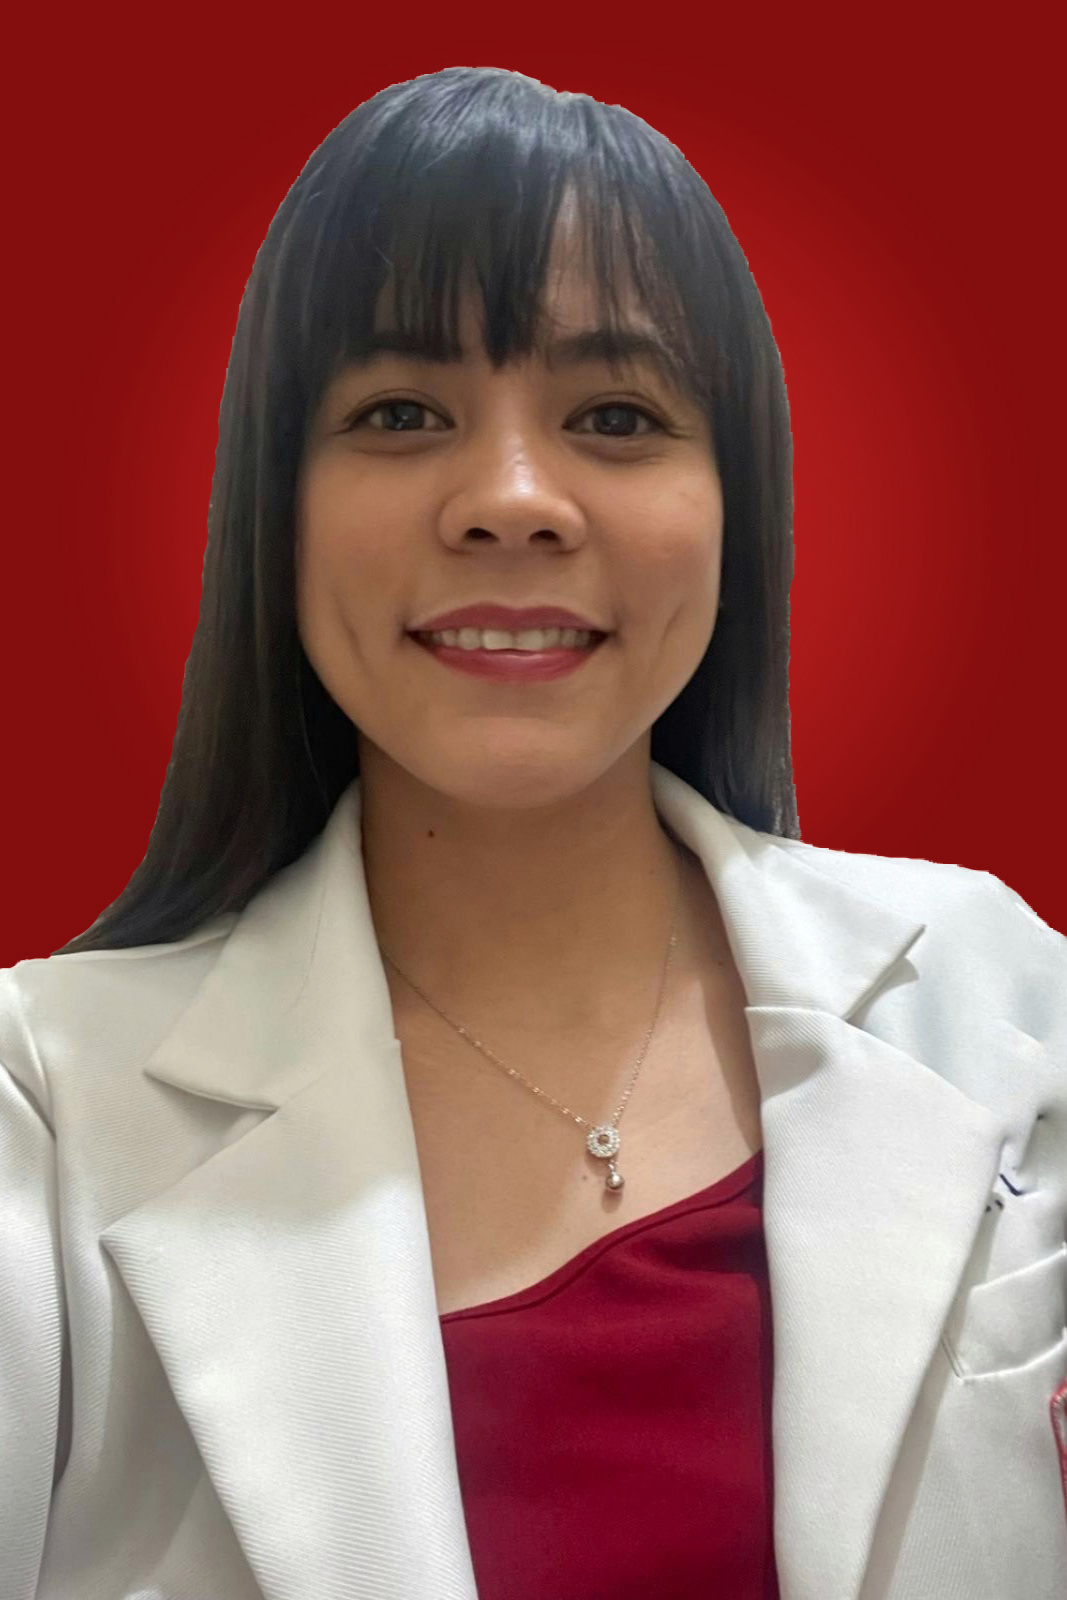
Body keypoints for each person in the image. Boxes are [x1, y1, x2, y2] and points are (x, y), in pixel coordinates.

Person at [1, 64, 1064, 1600]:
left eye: (617, 415)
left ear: (736, 507)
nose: (511, 500)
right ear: (274, 509)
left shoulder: (1006, 1003)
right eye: (401, 412)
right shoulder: (47, 1109)